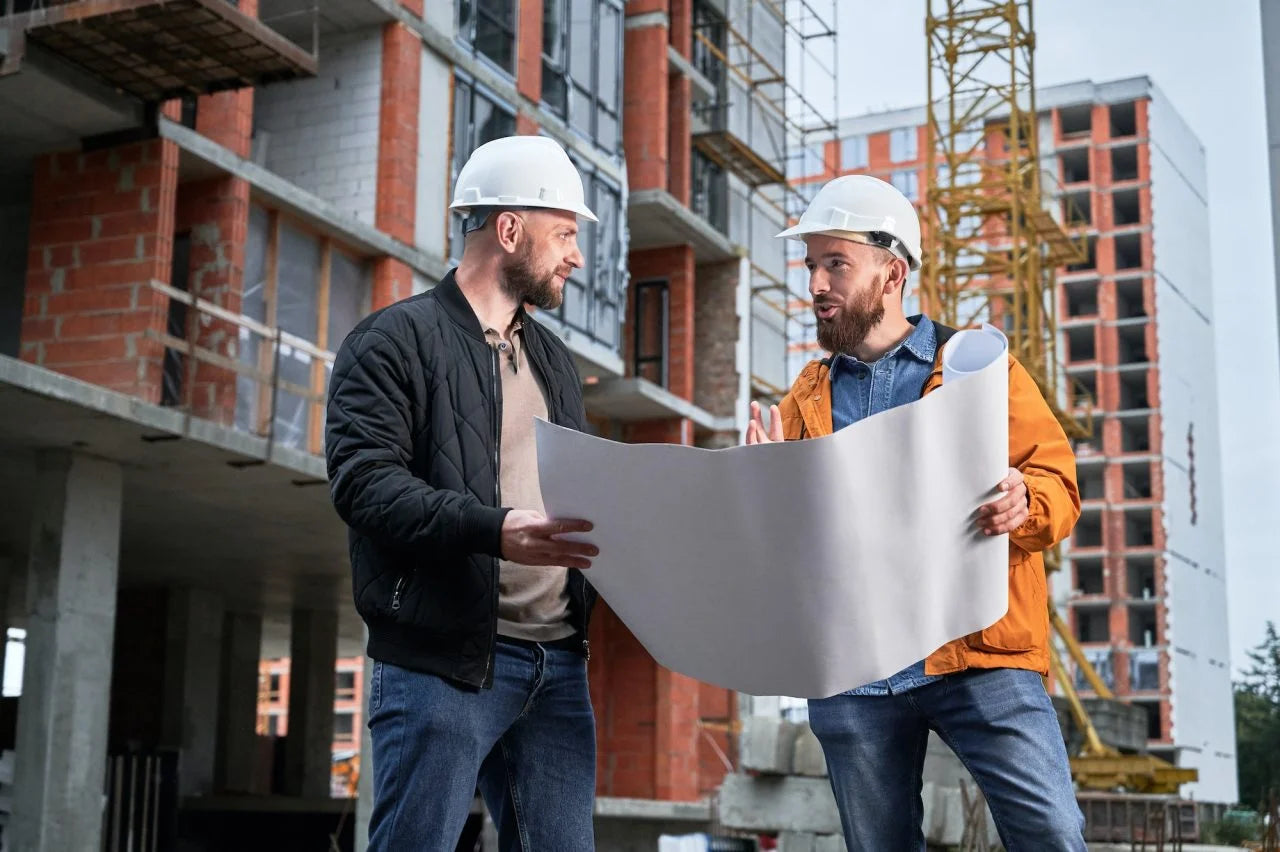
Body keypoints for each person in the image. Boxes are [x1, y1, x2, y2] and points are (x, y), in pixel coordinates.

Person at [746, 174, 1086, 850]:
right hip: (857, 670)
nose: (815, 283)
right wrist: (761, 489)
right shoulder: (801, 403)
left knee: (1052, 834)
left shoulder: (977, 367)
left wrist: (1026, 499)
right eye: (812, 265)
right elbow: (789, 550)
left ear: (893, 271)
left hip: (980, 654)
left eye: (834, 263)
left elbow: (1058, 482)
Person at [326, 135, 601, 851]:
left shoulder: (554, 361)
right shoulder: (392, 341)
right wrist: (494, 527)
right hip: (441, 666)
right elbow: (365, 485)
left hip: (559, 666)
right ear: (509, 230)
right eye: (565, 235)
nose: (577, 256)